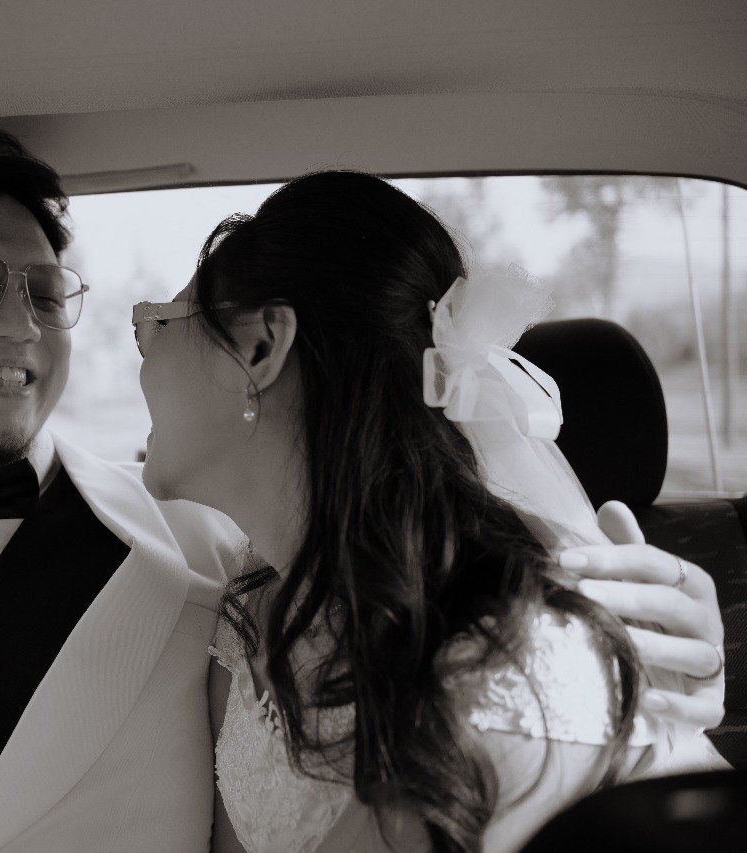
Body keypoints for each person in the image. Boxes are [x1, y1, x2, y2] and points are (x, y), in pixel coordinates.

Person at [0, 133, 726, 853]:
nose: (22, 325)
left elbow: (430, 597)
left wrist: (666, 675)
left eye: (46, 290)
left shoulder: (217, 549)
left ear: (262, 351)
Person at [133, 171, 729, 853]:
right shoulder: (249, 614)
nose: (142, 356)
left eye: (157, 323)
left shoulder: (512, 673)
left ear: (260, 347)